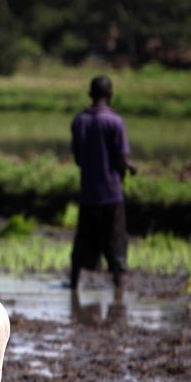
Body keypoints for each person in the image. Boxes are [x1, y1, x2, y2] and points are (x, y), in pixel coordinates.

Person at [70, 75, 137, 290]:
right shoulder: (115, 122)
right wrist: (129, 168)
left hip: (89, 192)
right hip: (111, 193)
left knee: (83, 242)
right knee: (116, 241)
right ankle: (119, 290)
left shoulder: (80, 121)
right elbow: (121, 158)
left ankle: (73, 285)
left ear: (90, 94)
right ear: (110, 95)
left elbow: (79, 159)